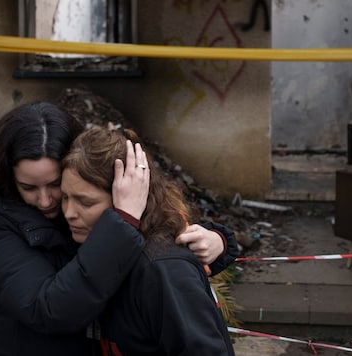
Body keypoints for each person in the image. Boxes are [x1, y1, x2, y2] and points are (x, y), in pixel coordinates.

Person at [0, 101, 236, 355]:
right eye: (28, 187)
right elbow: (50, 309)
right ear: (7, 176)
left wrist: (217, 240)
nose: (46, 202)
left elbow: (159, 253)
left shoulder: (131, 239)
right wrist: (122, 221)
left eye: (56, 186)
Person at [61, 126, 236, 355]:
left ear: (127, 198)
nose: (69, 213)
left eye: (86, 203)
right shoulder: (82, 242)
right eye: (64, 197)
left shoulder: (161, 269)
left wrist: (221, 240)